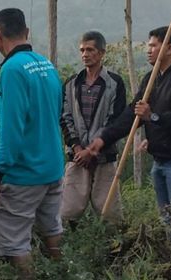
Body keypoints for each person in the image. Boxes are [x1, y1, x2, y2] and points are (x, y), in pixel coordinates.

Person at [87, 26, 171, 262]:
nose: (148, 50)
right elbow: (133, 113)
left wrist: (153, 116)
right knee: (167, 223)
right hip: (160, 162)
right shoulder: (152, 79)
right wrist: (104, 137)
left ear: (169, 48)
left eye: (153, 45)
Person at [0, 8, 64, 279]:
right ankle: (63, 271)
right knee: (51, 228)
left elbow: (11, 132)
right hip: (53, 168)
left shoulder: (12, 70)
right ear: (27, 33)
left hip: (25, 173)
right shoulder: (46, 64)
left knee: (14, 240)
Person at [60, 31, 126, 227]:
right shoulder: (72, 84)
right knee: (68, 209)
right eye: (82, 50)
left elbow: (115, 119)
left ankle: (113, 252)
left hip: (104, 156)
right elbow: (65, 117)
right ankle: (67, 251)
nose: (85, 54)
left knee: (109, 211)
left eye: (90, 50)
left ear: (101, 53)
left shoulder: (114, 83)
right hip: (77, 156)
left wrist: (94, 149)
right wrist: (77, 147)